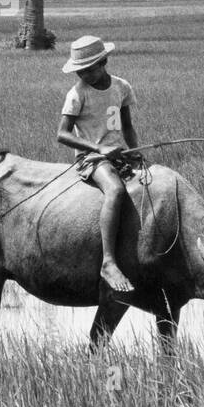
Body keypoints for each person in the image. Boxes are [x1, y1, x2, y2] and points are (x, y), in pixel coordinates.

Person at [57, 35, 140, 293]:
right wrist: (99, 148)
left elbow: (126, 126)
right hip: (91, 158)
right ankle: (108, 261)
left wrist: (134, 151)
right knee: (115, 190)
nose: (84, 75)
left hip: (118, 154)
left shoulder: (121, 87)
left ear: (104, 62)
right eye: (80, 71)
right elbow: (63, 134)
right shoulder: (78, 93)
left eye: (89, 69)